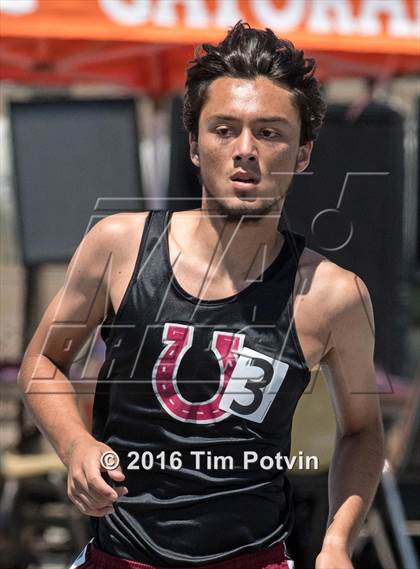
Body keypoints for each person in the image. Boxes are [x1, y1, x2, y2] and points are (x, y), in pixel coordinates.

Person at [18, 21, 385, 569]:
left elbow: (362, 431)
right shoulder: (118, 246)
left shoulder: (334, 295)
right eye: (223, 129)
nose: (245, 151)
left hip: (255, 558)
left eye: (269, 132)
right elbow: (43, 362)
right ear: (193, 144)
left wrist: (337, 542)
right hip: (117, 557)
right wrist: (76, 446)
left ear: (303, 153)